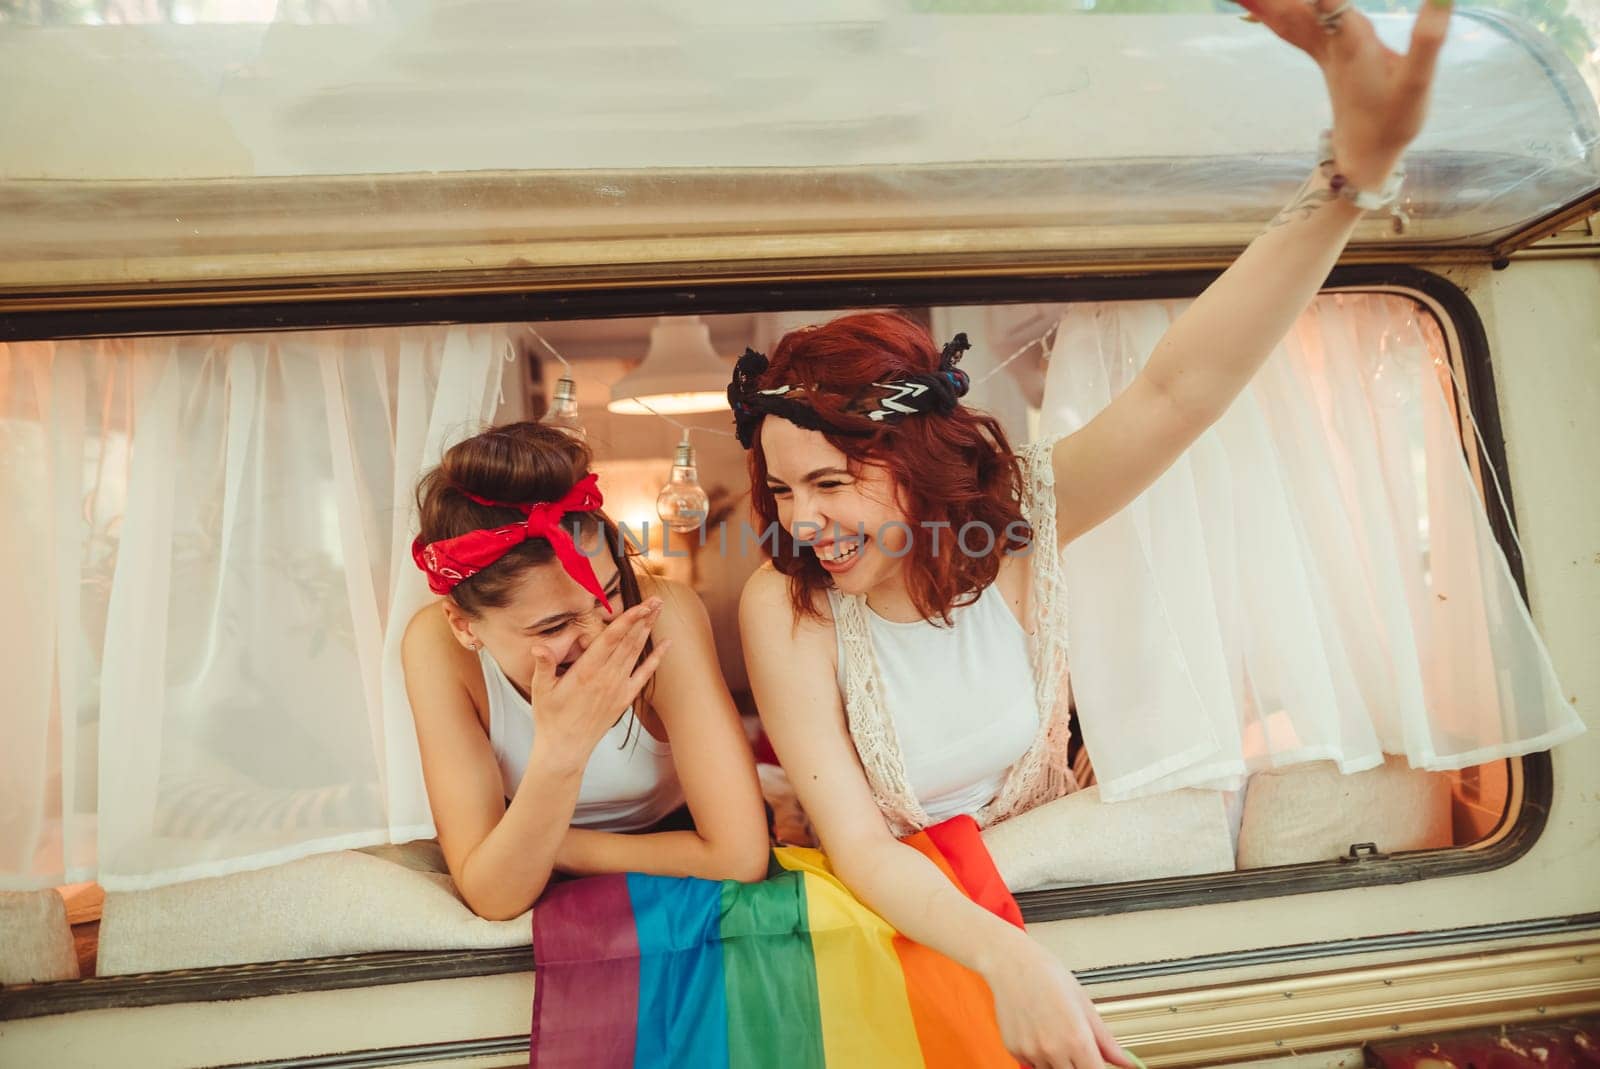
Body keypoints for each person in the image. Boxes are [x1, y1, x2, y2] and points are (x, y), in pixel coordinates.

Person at [735, 2, 1453, 1066]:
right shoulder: (781, 601)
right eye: (782, 491)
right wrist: (1012, 961)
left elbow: (1182, 386)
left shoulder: (1018, 521)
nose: (799, 521)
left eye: (828, 482)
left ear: (915, 460)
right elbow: (859, 849)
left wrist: (1344, 184)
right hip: (906, 922)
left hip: (1054, 906)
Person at [403, 422, 769, 921]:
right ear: (465, 626)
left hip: (667, 844)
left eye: (610, 595)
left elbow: (740, 857)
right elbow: (493, 897)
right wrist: (561, 751)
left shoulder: (666, 616)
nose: (600, 639)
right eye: (553, 626)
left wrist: (545, 845)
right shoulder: (436, 646)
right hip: (526, 867)